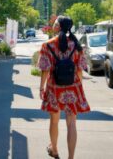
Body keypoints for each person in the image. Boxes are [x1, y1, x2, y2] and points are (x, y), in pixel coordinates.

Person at [38, 16, 90, 159]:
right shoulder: (76, 45)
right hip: (72, 88)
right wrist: (79, 88)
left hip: (54, 87)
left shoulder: (48, 45)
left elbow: (45, 69)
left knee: (54, 120)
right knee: (71, 123)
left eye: (55, 23)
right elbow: (80, 70)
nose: (53, 25)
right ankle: (71, 157)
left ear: (59, 27)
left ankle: (54, 150)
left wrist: (41, 88)